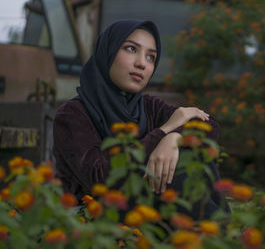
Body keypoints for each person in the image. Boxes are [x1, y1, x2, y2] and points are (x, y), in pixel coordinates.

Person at [53, 19, 229, 220]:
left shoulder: (148, 106)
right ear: (107, 52)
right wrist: (164, 131)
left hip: (143, 207)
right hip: (93, 216)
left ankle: (220, 233)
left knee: (194, 159)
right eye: (130, 49)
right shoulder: (72, 115)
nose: (141, 63)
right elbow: (99, 179)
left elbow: (210, 125)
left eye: (151, 57)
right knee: (177, 174)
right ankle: (222, 233)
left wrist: (174, 139)